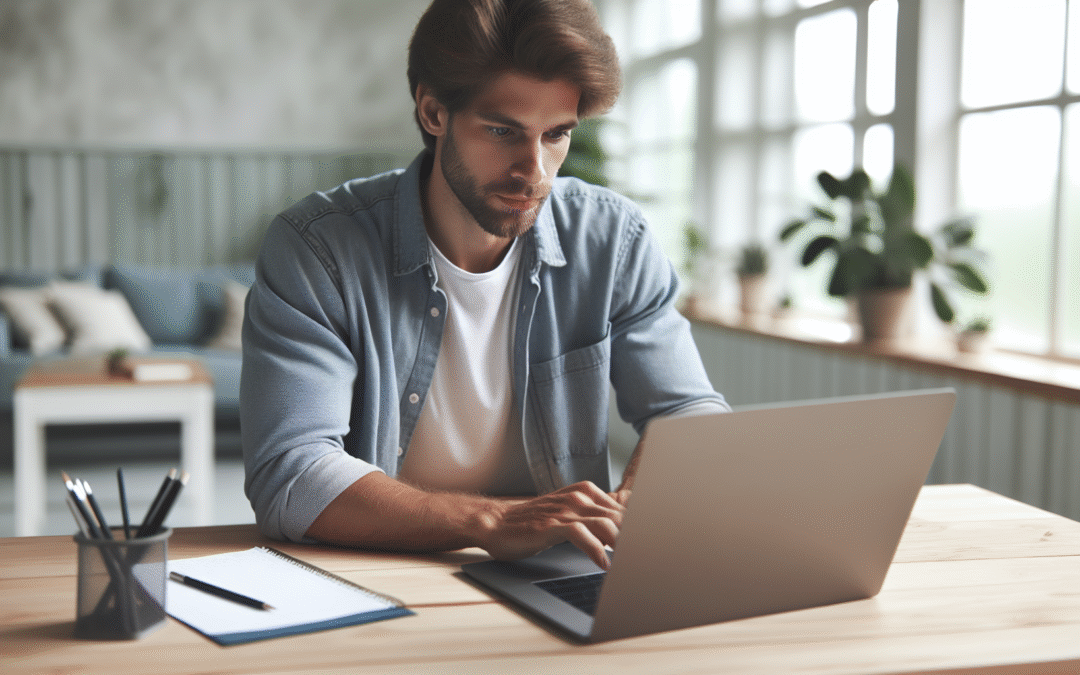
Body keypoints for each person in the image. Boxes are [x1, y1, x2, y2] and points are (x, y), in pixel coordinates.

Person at [240, 0, 728, 571]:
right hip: (387, 569)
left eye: (556, 136)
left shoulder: (612, 239)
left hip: (561, 570)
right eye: (503, 131)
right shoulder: (319, 248)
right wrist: (492, 522)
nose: (535, 171)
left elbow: (690, 409)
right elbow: (292, 472)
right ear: (432, 112)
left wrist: (650, 491)